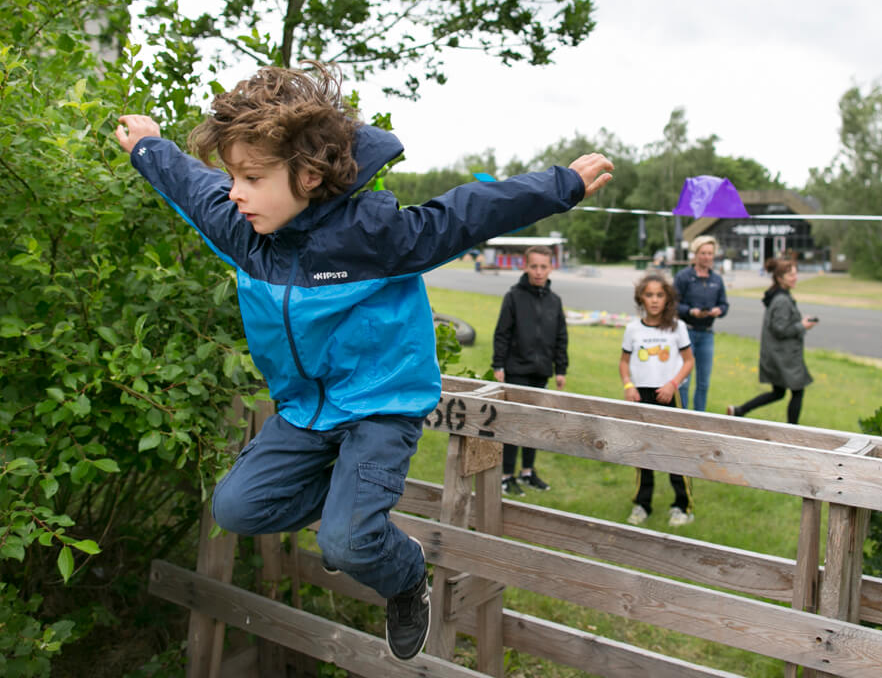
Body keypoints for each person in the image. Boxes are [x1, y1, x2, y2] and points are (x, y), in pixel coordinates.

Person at [113, 63, 613, 661]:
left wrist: (562, 185)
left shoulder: (374, 235)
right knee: (236, 507)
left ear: (309, 172)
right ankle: (351, 497)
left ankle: (405, 579)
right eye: (233, 176)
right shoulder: (245, 230)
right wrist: (148, 145)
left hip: (379, 405)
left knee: (346, 545)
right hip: (306, 411)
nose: (235, 192)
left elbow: (467, 212)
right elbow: (192, 187)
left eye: (251, 176)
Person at [619, 274, 695, 527]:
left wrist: (673, 385)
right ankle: (642, 504)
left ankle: (682, 506)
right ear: (641, 297)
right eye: (649, 295)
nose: (654, 300)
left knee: (675, 452)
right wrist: (629, 385)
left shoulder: (677, 327)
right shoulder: (633, 329)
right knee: (643, 452)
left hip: (668, 395)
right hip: (642, 396)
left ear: (668, 298)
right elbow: (623, 362)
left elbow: (688, 361)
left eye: (659, 295)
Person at [492, 245, 567, 496]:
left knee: (535, 424)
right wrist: (498, 364)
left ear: (551, 267)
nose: (538, 271)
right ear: (525, 267)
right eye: (533, 266)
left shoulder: (555, 301)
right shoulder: (513, 296)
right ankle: (506, 475)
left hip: (541, 371)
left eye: (543, 267)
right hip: (516, 369)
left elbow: (560, 336)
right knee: (515, 424)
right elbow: (502, 332)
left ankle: (527, 472)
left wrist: (560, 368)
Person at [726, 256, 816, 424]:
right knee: (797, 390)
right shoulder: (781, 299)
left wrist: (798, 322)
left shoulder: (778, 295)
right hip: (783, 356)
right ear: (780, 278)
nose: (795, 278)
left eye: (795, 274)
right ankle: (793, 430)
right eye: (791, 275)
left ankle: (739, 410)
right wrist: (802, 326)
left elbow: (780, 323)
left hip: (777, 353)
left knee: (779, 392)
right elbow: (780, 329)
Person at [673, 235, 728, 412]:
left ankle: (700, 418)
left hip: (707, 333)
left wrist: (719, 310)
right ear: (695, 255)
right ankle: (681, 416)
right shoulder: (683, 277)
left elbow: (724, 304)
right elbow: (673, 304)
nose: (707, 257)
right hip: (687, 332)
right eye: (703, 253)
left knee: (703, 382)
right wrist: (690, 311)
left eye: (710, 253)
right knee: (684, 380)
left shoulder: (716, 280)